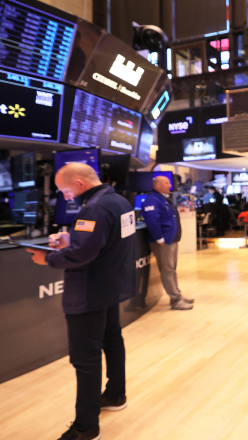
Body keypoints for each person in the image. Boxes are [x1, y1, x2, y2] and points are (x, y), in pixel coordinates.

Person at [27, 163, 137, 440]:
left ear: (78, 182)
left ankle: (86, 426)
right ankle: (115, 394)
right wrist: (70, 238)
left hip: (89, 291)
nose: (64, 196)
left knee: (84, 359)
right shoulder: (119, 200)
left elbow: (82, 255)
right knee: (112, 341)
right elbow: (103, 242)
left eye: (64, 190)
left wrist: (47, 258)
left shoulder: (93, 208)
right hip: (110, 286)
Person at [143, 175, 194, 310]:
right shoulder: (152, 200)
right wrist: (160, 239)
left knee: (171, 270)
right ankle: (176, 300)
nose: (170, 185)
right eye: (166, 183)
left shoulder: (163, 199)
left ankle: (177, 295)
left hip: (171, 240)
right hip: (163, 242)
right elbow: (152, 221)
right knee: (167, 271)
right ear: (157, 185)